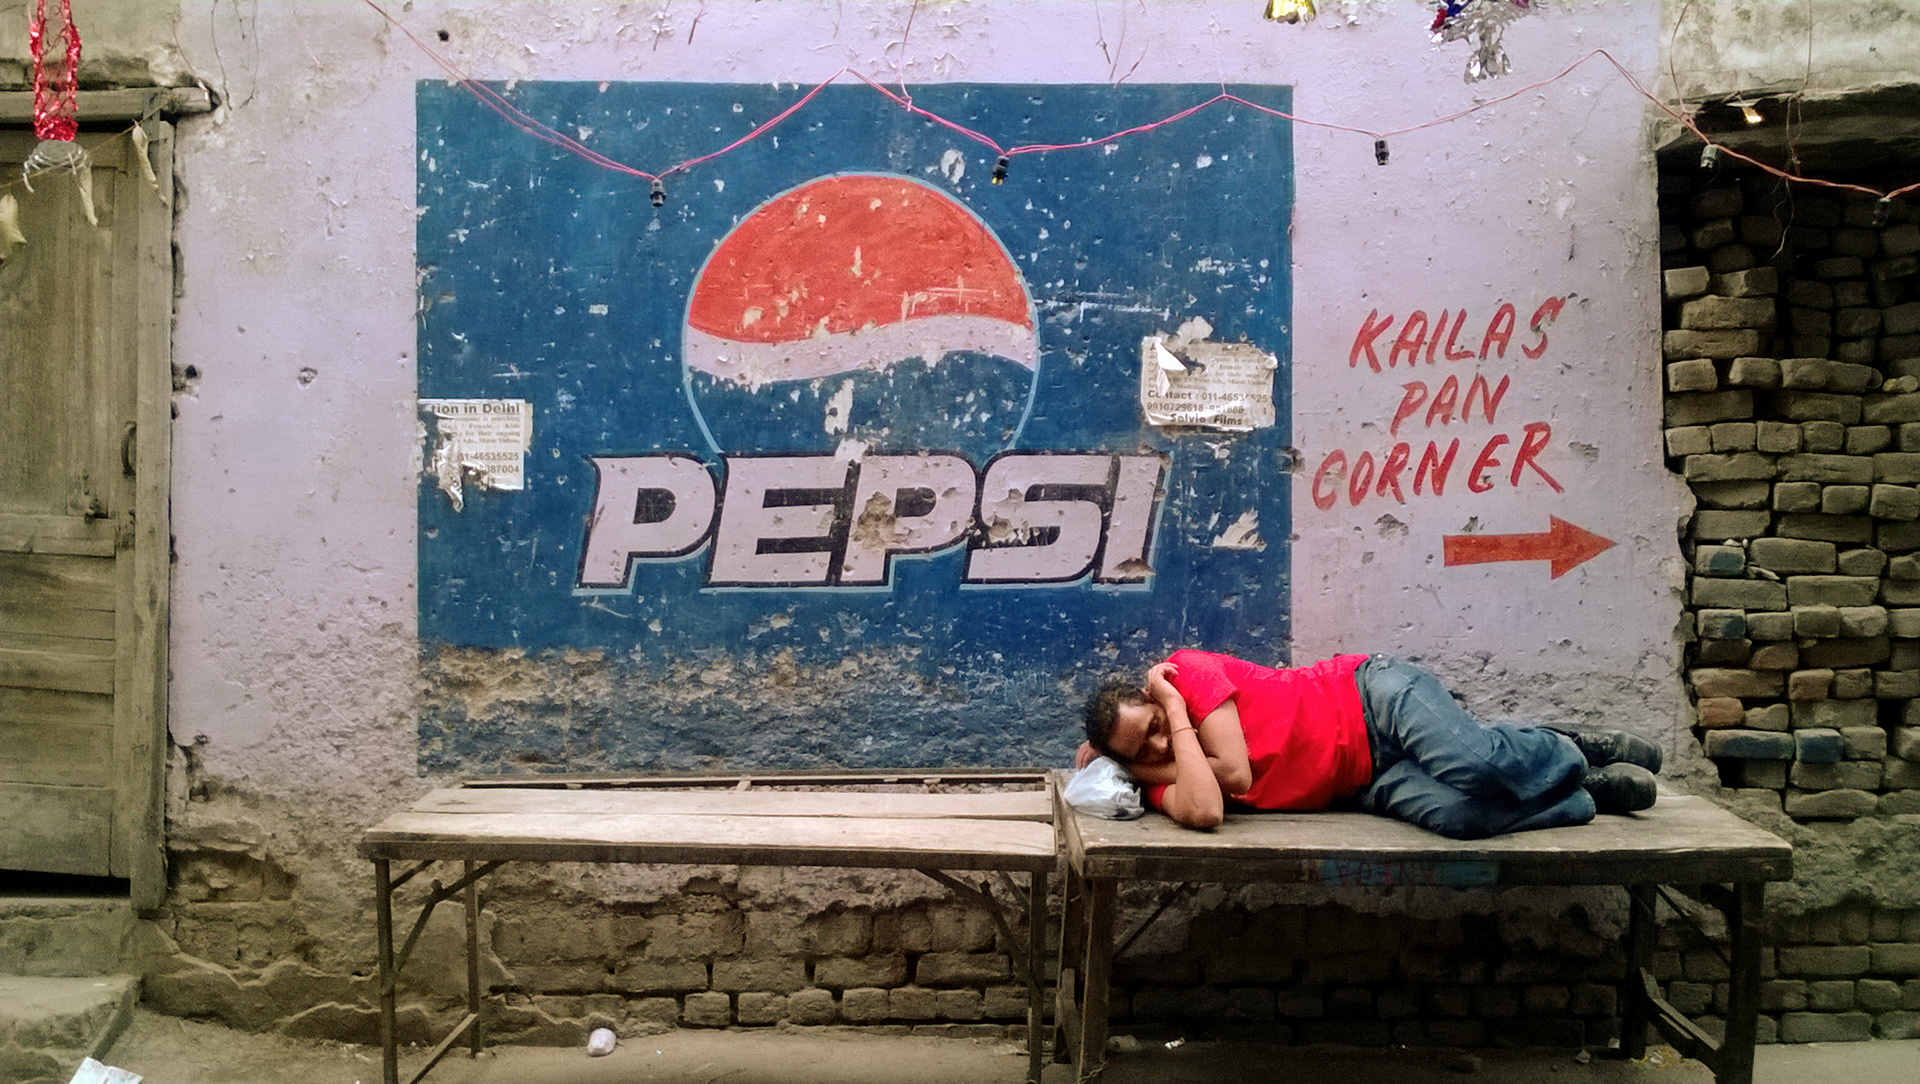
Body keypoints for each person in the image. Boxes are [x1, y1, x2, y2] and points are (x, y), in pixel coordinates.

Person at [1080, 650, 1661, 839]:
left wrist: (1173, 705)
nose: (1160, 744)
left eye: (1154, 723)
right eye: (1141, 750)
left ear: (1153, 695)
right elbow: (1207, 810)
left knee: (1475, 764)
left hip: (1369, 697)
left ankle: (1571, 747)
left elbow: (1234, 775)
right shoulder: (1164, 781)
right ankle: (1585, 795)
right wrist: (1137, 770)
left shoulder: (1186, 672)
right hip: (1365, 781)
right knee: (1462, 818)